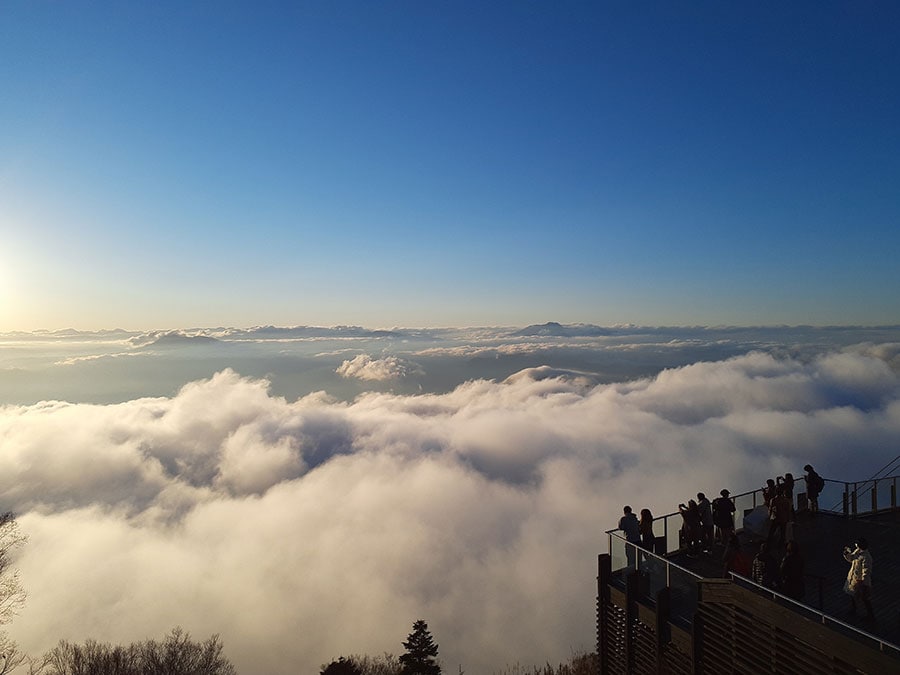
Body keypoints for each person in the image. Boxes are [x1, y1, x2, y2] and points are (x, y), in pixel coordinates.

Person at [843, 538, 874, 619]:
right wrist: (846, 554)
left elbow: (866, 571)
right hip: (853, 578)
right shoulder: (857, 551)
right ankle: (854, 609)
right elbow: (851, 558)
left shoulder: (866, 557)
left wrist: (863, 581)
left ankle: (870, 615)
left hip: (860, 581)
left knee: (865, 598)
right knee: (852, 595)